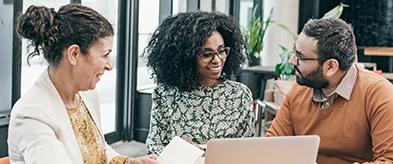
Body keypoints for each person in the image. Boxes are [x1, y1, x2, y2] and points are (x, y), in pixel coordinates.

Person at [8, 4, 157, 164]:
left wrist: (128, 162)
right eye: (105, 55)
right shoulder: (32, 115)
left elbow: (99, 149)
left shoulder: (87, 94)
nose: (109, 65)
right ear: (74, 54)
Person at [266, 18, 393, 163]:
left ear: (331, 67)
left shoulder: (380, 94)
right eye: (294, 52)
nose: (292, 61)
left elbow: (388, 160)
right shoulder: (297, 92)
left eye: (300, 56)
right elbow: (271, 147)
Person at [145, 11, 255, 154]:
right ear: (186, 58)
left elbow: (247, 149)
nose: (217, 60)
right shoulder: (165, 94)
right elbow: (153, 147)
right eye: (207, 54)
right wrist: (181, 150)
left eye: (221, 51)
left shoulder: (239, 95)